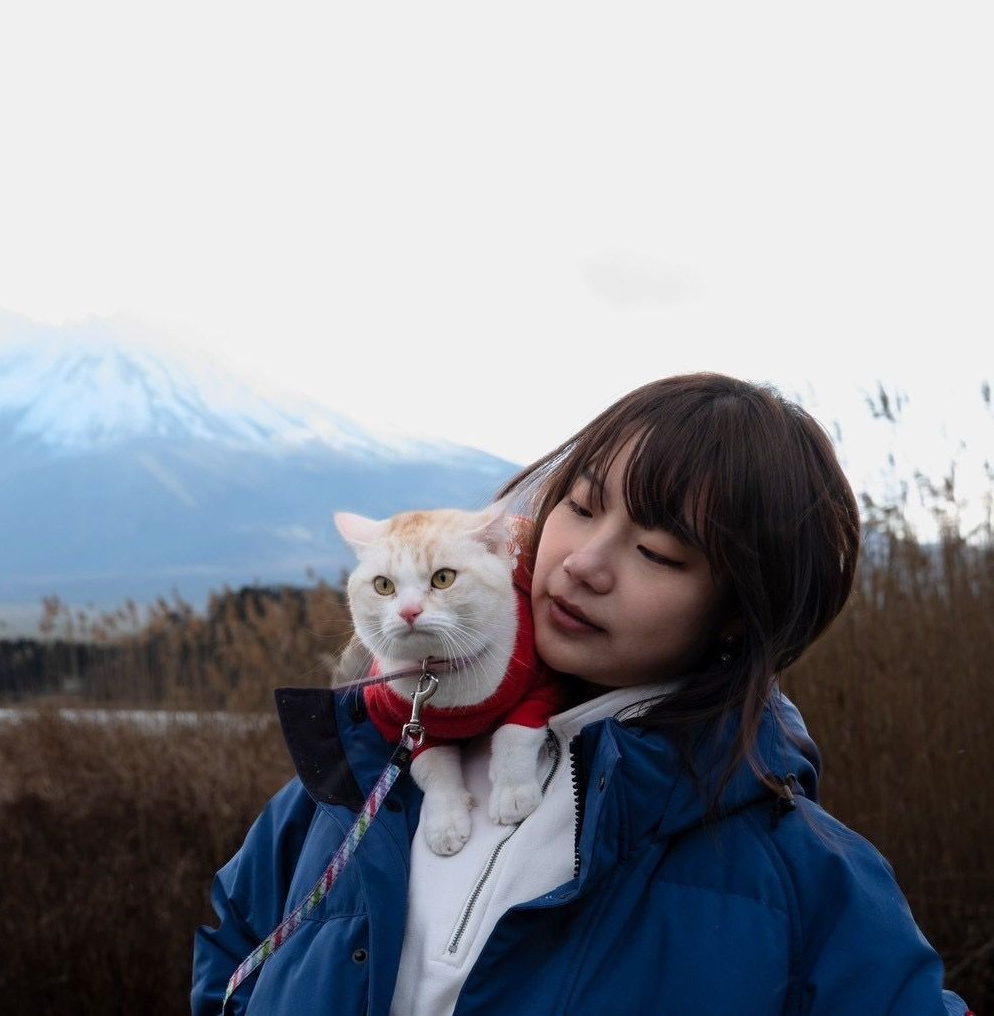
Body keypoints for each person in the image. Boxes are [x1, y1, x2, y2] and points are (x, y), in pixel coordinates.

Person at [191, 373, 972, 1015]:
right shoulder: (355, 778)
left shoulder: (797, 875)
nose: (585, 564)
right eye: (582, 506)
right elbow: (231, 942)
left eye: (658, 552)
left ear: (738, 611)